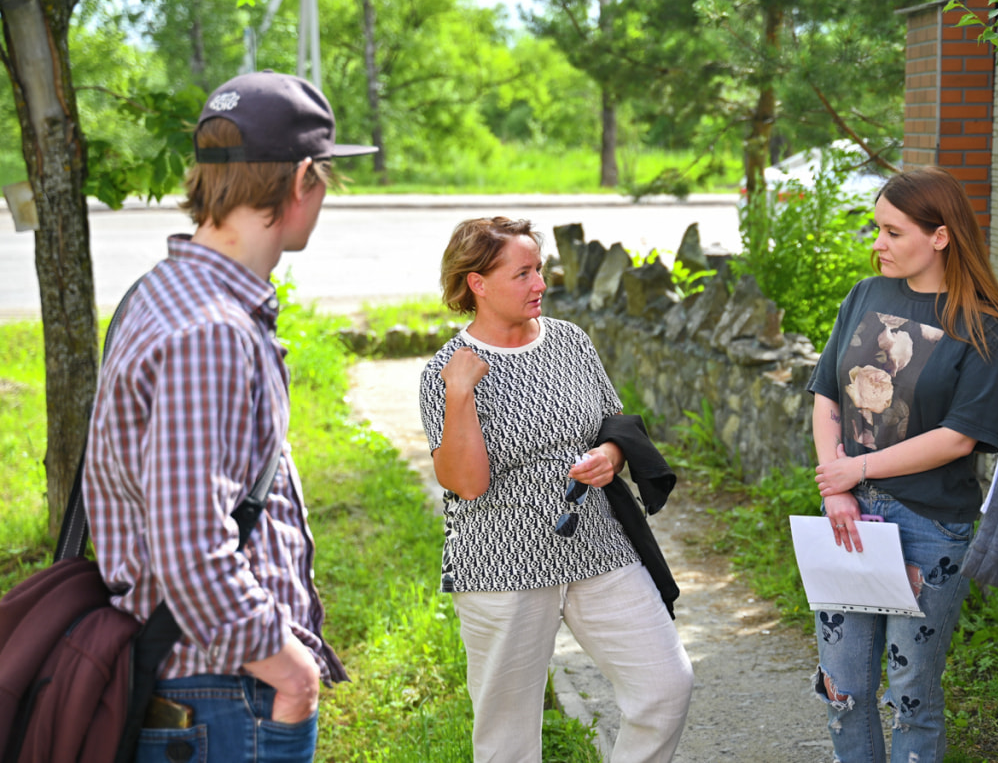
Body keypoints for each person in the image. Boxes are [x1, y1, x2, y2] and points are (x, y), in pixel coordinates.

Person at [83, 71, 375, 762]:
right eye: (327, 175)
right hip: (221, 696)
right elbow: (190, 545)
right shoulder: (211, 329)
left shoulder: (162, 293)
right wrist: (290, 672)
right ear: (303, 179)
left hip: (206, 689)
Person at [417, 217, 693, 763]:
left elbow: (615, 423)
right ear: (478, 283)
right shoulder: (445, 371)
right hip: (503, 564)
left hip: (599, 547)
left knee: (666, 687)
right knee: (507, 736)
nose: (540, 283)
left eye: (538, 269)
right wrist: (458, 396)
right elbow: (467, 484)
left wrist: (610, 456)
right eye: (523, 273)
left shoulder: (570, 341)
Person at [806, 166, 998, 762]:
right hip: (846, 518)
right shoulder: (865, 296)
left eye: (893, 232)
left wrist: (860, 472)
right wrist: (836, 488)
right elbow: (827, 394)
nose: (878, 243)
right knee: (842, 688)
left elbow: (958, 437)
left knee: (911, 696)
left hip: (930, 528)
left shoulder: (981, 327)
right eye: (878, 229)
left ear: (940, 236)